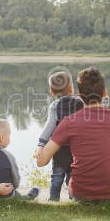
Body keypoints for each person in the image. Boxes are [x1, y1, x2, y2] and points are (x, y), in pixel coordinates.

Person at [36, 67, 110, 203]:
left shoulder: (67, 123)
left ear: (80, 95)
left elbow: (41, 162)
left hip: (79, 195)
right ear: (105, 92)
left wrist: (41, 146)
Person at [35, 70, 83, 201]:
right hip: (76, 148)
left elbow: (49, 126)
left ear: (52, 91)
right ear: (71, 88)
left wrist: (41, 143)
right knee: (73, 177)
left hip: (59, 148)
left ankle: (53, 199)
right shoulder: (80, 103)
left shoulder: (55, 105)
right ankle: (74, 199)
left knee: (57, 176)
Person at [0, 118, 40, 200]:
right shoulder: (8, 155)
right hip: (6, 195)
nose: (10, 138)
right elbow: (16, 179)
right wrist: (15, 187)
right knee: (22, 198)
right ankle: (32, 194)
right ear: (2, 138)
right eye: (9, 135)